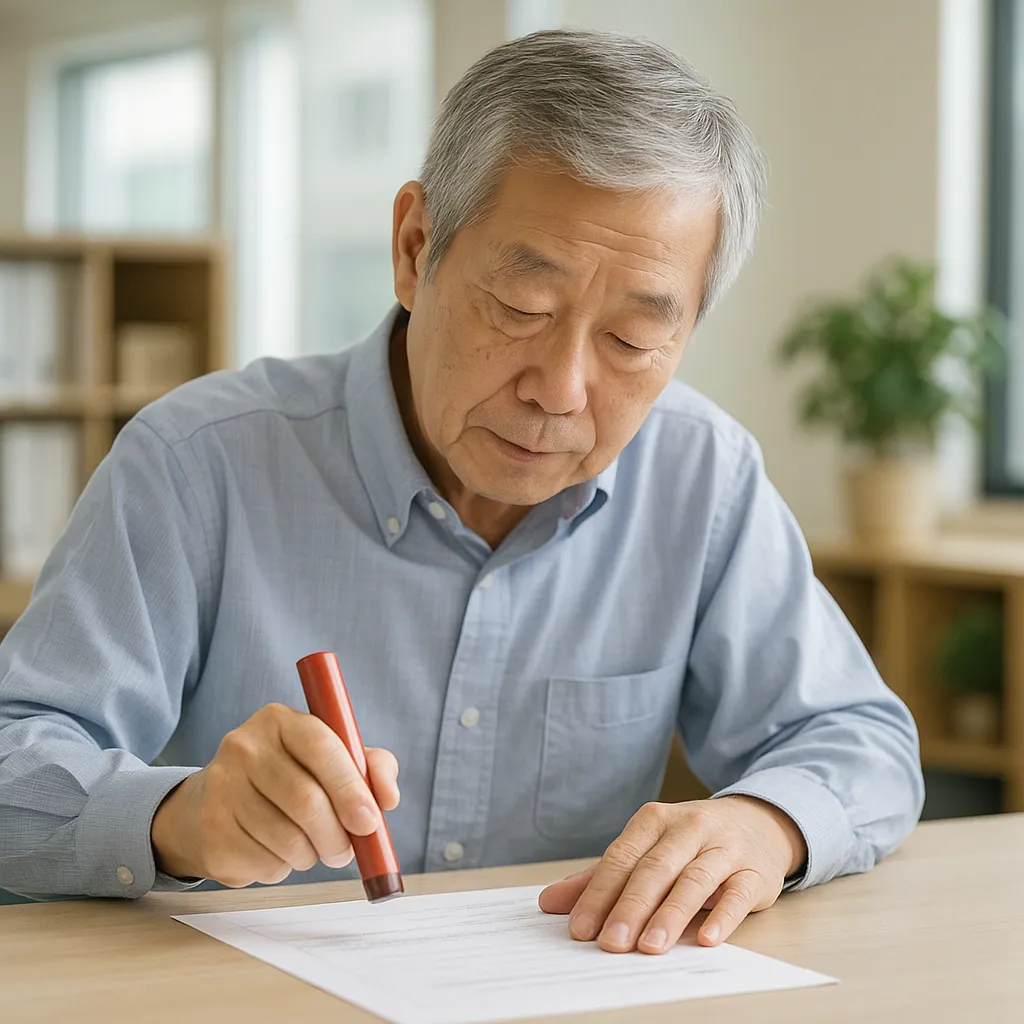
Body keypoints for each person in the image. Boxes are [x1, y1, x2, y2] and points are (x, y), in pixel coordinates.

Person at [0, 30, 923, 955]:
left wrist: (768, 825)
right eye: (522, 310)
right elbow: (15, 762)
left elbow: (860, 740)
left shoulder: (703, 477)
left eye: (633, 342)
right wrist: (176, 815)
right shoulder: (195, 462)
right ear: (414, 248)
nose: (559, 390)